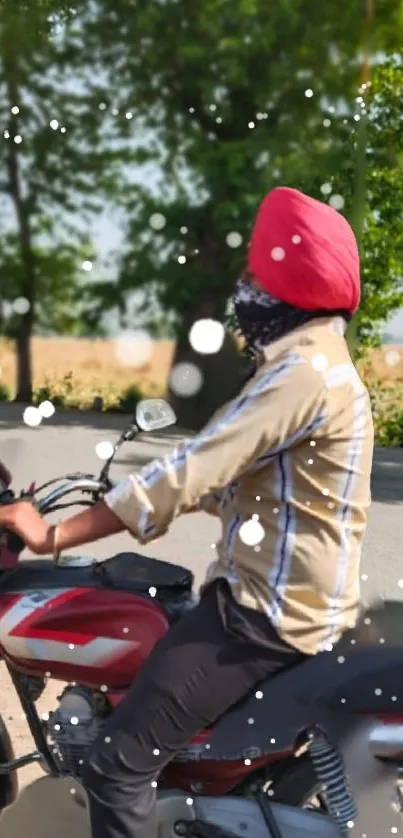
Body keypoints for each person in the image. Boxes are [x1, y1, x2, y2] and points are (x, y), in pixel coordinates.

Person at [0, 186, 374, 838]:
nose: (244, 286)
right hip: (294, 605)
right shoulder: (318, 362)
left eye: (256, 271)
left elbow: (193, 466)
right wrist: (178, 498)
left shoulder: (301, 372)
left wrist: (54, 532)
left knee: (117, 764)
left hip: (264, 619)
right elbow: (242, 476)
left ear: (288, 281)